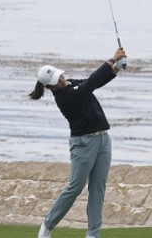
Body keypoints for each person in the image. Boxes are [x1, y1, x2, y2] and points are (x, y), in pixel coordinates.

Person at [29, 47, 127, 238]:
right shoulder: (65, 98)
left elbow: (97, 82)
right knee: (75, 187)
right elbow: (90, 84)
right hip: (83, 144)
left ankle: (92, 234)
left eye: (59, 75)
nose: (61, 79)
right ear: (50, 87)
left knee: (98, 187)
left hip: (103, 140)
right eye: (57, 80)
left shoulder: (70, 84)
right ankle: (47, 225)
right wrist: (111, 60)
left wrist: (116, 69)